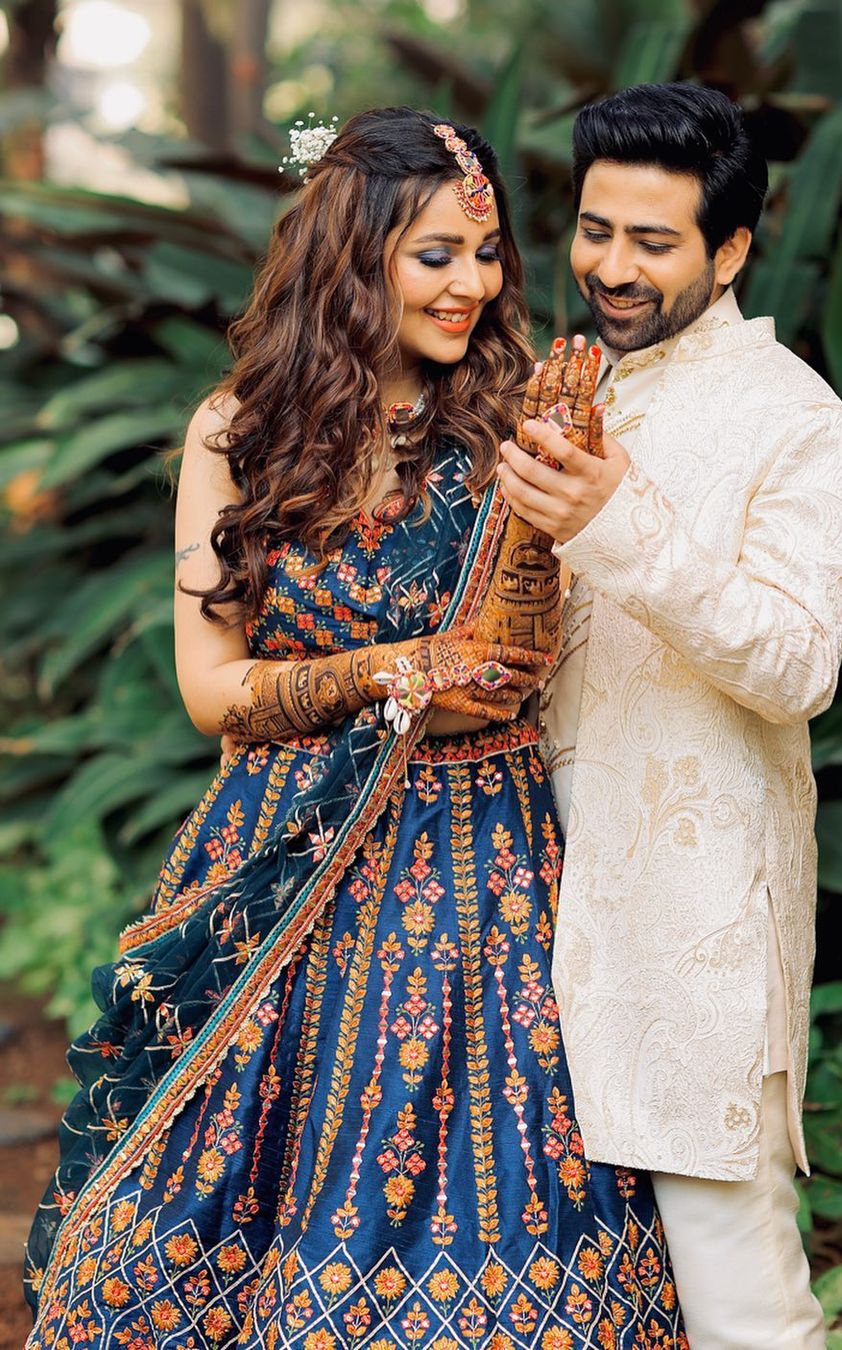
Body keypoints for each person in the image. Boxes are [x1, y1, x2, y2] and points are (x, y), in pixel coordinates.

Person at [24, 106, 686, 1349]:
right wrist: (381, 671)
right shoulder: (240, 433)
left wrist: (516, 582)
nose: (473, 287)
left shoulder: (510, 427)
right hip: (286, 852)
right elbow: (210, 686)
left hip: (481, 855)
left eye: (486, 257)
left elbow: (522, 654)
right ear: (353, 248)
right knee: (250, 1173)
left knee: (478, 1170)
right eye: (436, 255)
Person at [496, 84, 842, 1347]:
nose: (609, 265)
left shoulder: (802, 428)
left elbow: (794, 663)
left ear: (729, 251)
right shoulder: (562, 386)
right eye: (596, 229)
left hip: (692, 935)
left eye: (652, 243)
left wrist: (612, 522)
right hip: (510, 918)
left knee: (737, 1301)